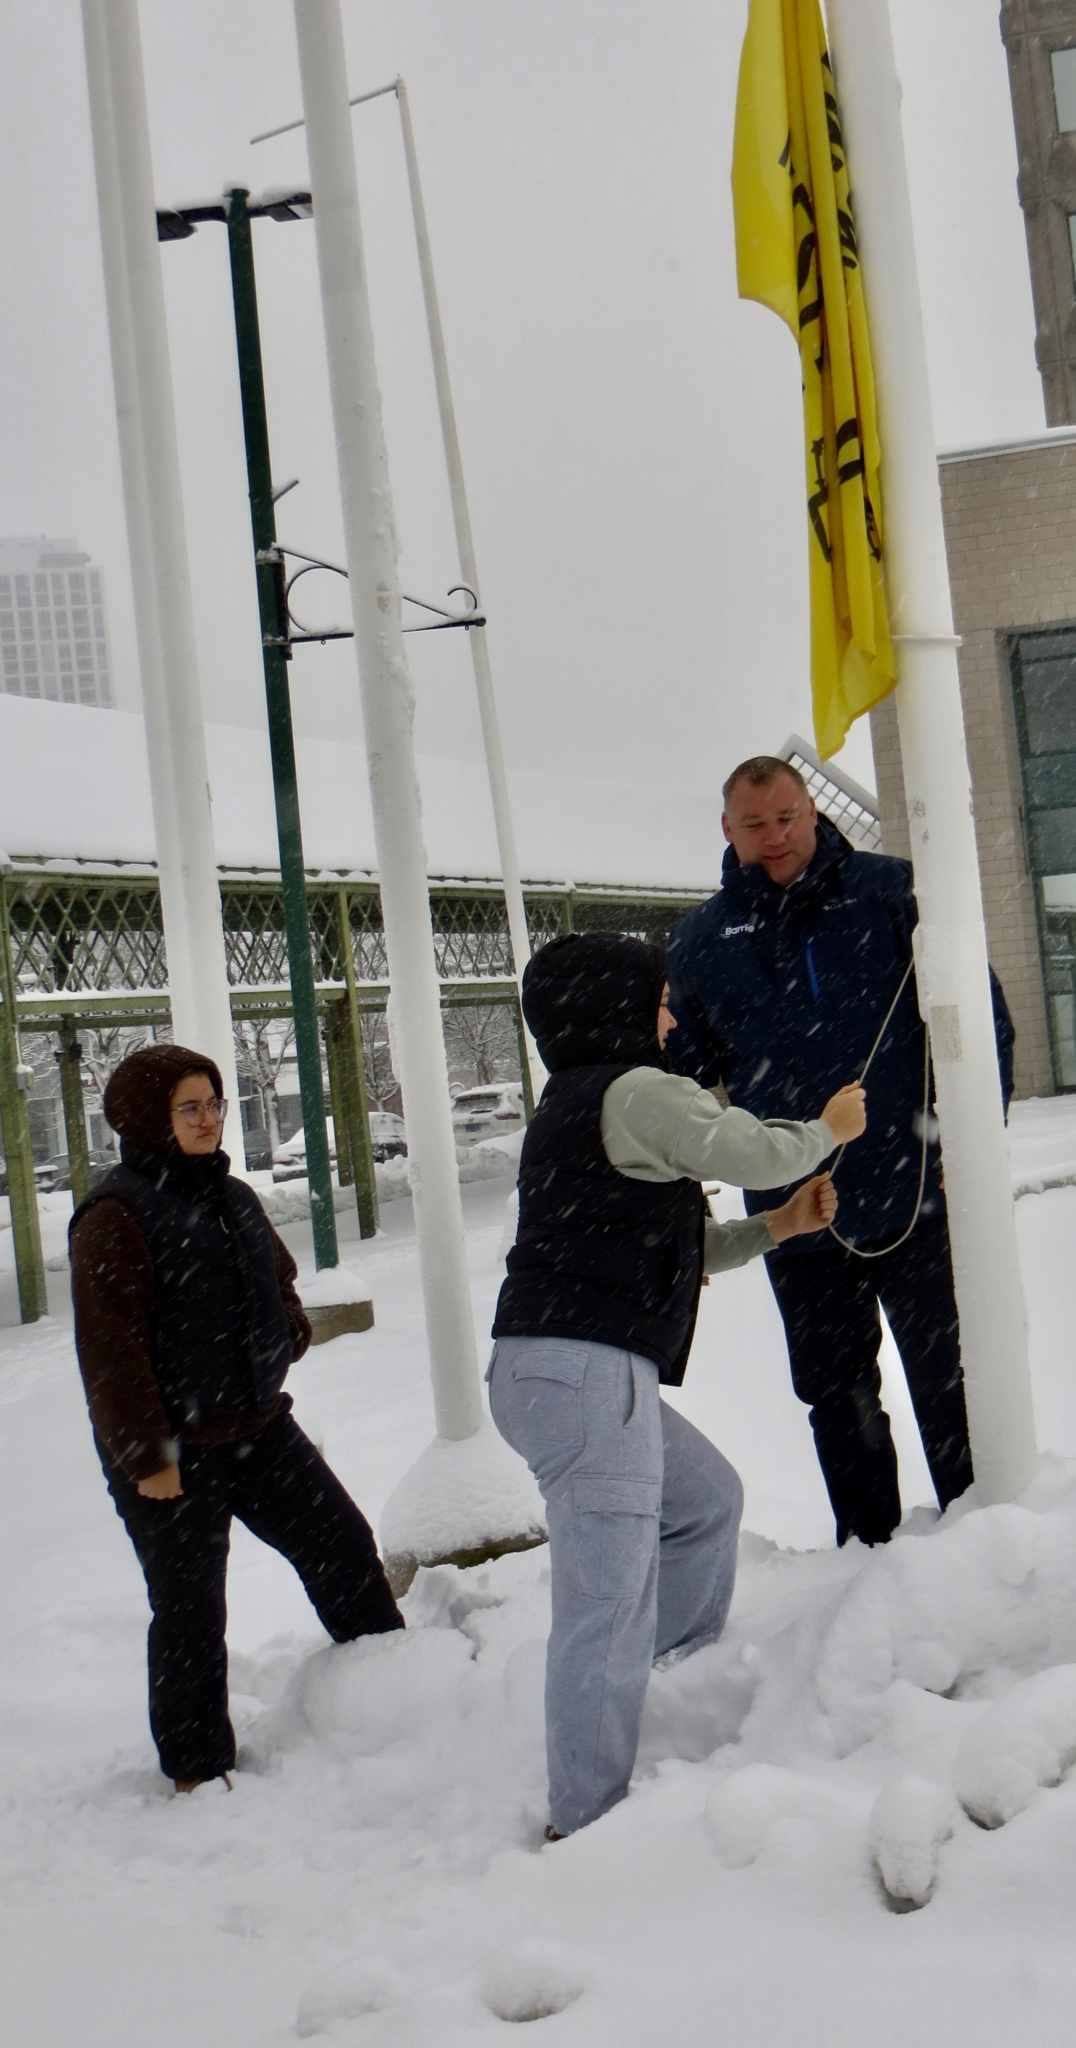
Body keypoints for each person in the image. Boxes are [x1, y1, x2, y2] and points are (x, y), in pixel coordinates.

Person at [488, 933, 865, 1837]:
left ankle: (671, 1678)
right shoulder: (637, 1091)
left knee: (703, 1505)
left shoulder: (577, 1105)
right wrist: (826, 1132)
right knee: (602, 1609)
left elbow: (671, 1250)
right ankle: (586, 1820)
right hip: (587, 1375)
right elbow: (757, 1149)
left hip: (548, 1369)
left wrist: (775, 1229)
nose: (668, 1017)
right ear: (614, 1005)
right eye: (657, 999)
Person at [666, 755, 1016, 1550]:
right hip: (795, 1213)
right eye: (754, 824)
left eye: (787, 817)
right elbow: (681, 1086)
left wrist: (972, 1150)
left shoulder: (892, 894)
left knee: (949, 1379)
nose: (775, 836)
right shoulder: (700, 941)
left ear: (812, 816)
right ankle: (869, 1555)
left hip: (916, 1189)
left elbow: (980, 1024)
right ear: (728, 829)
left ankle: (989, 1543)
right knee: (835, 1390)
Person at [68, 1043, 402, 1792]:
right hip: (174, 1454)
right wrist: (148, 1458)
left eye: (215, 1104)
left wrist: (288, 1333)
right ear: (149, 1118)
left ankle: (395, 1684)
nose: (209, 1120)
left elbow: (279, 1281)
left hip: (257, 1429)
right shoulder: (114, 1216)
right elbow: (111, 1354)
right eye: (190, 1108)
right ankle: (196, 1772)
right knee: (190, 1612)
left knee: (341, 1543)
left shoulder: (233, 1196)